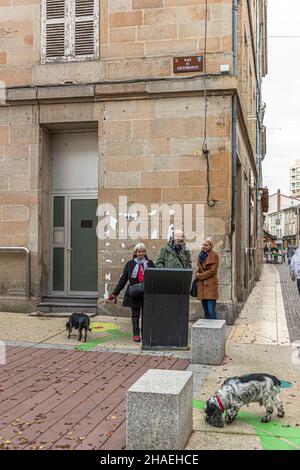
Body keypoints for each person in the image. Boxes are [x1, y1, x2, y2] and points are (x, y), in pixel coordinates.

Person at [108, 243, 155, 342]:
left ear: (145, 252)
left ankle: (145, 334)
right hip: (134, 293)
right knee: (135, 315)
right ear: (135, 253)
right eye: (139, 251)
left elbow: (154, 279)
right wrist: (114, 294)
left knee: (146, 315)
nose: (140, 253)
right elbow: (123, 280)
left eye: (142, 251)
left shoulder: (150, 263)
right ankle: (136, 334)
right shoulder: (130, 264)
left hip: (146, 294)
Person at [195, 238, 219, 320]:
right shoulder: (200, 255)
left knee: (211, 311)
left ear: (210, 246)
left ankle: (215, 331)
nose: (204, 247)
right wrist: (196, 274)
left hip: (210, 286)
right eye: (203, 245)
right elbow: (199, 269)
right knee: (206, 312)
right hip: (202, 286)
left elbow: (212, 271)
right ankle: (206, 331)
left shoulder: (214, 255)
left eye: (206, 245)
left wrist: (199, 276)